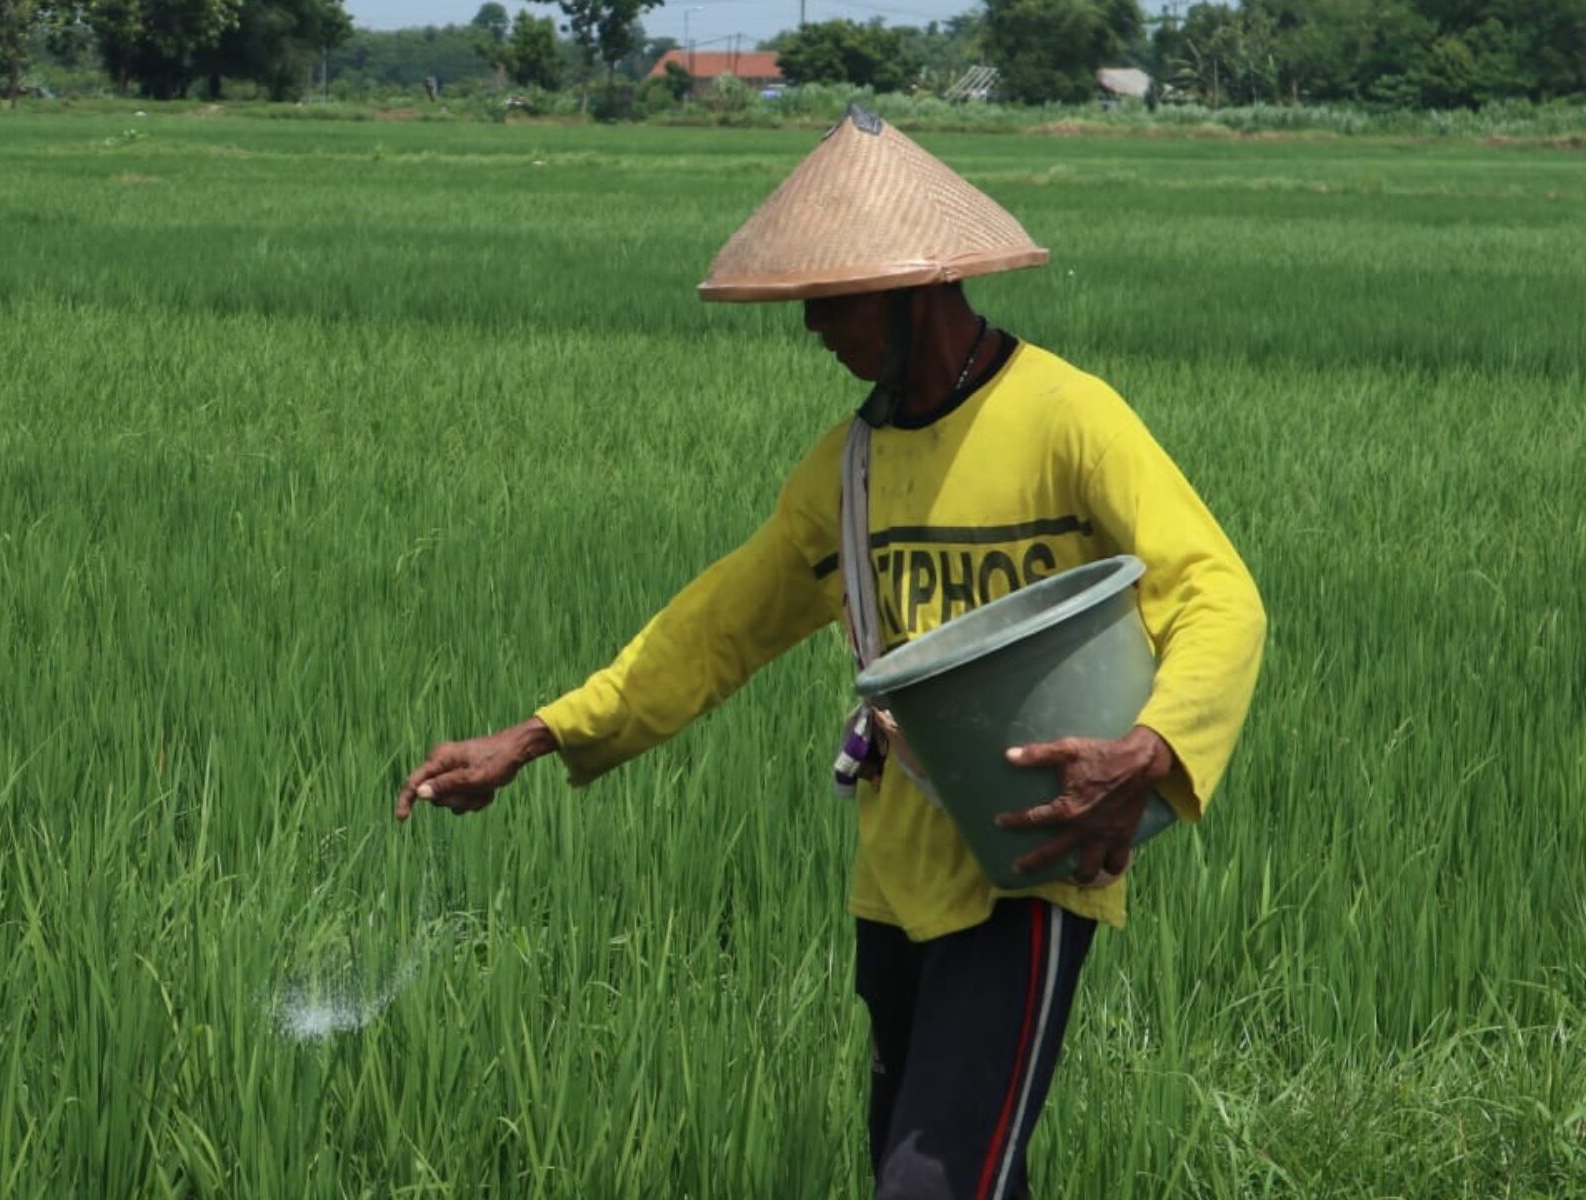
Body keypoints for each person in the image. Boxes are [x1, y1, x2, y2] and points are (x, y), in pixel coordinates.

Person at [392, 107, 1266, 1199]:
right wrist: (535, 736)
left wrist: (1148, 752)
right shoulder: (846, 473)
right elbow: (715, 628)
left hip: (1030, 872)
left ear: (916, 289)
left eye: (831, 297)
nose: (811, 325)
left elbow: (1216, 592)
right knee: (941, 1172)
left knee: (930, 1186)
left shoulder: (1065, 418)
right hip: (892, 883)